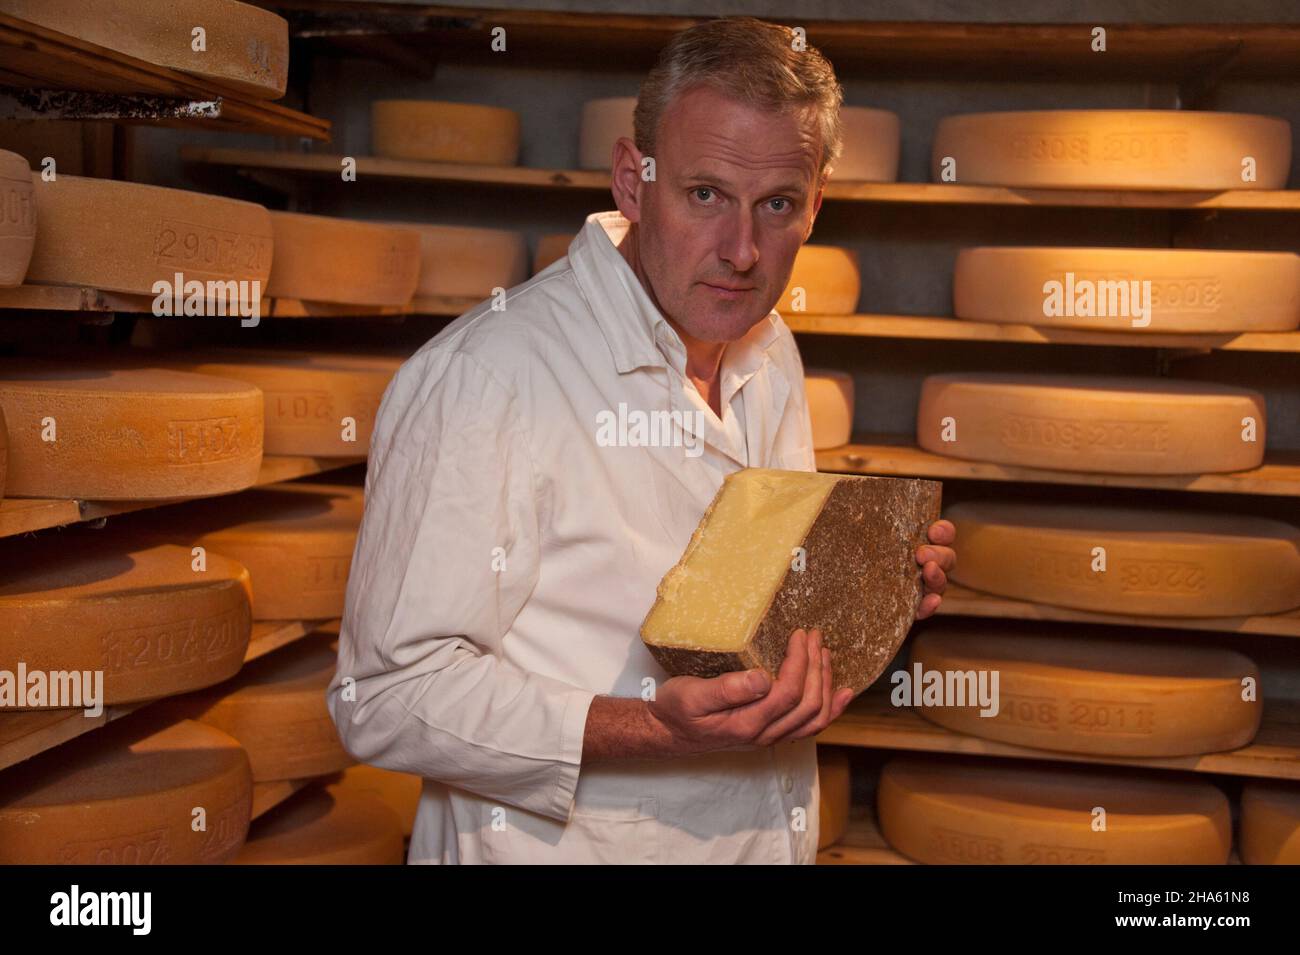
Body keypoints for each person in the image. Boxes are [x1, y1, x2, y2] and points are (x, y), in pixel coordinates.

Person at [327, 15, 956, 864]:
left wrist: (866, 581)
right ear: (633, 180)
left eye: (776, 205)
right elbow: (382, 696)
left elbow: (763, 600)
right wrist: (647, 730)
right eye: (705, 195)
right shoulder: (489, 378)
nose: (741, 251)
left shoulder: (771, 353)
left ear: (816, 204)